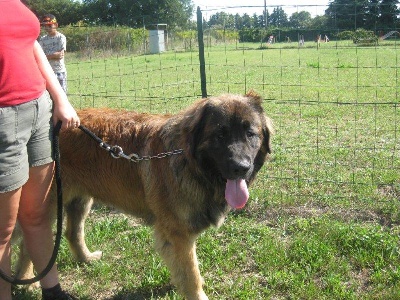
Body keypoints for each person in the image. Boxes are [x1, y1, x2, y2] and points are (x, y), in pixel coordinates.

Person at [0, 1, 80, 300]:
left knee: (36, 214)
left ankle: (53, 292)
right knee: (2, 231)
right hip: (2, 120)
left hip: (38, 110)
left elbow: (30, 44)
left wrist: (59, 98)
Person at [39, 14, 68, 93]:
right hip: (47, 71)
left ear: (56, 25)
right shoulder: (42, 39)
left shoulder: (61, 37)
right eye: (45, 26)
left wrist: (46, 57)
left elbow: (60, 55)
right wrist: (53, 55)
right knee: (49, 95)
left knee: (62, 94)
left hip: (59, 71)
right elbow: (39, 56)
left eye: (49, 25)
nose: (47, 28)